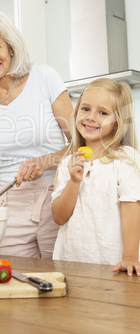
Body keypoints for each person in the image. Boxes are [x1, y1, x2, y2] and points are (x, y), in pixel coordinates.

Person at [0, 8, 73, 258]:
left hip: (56, 196)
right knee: (8, 281)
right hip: (8, 203)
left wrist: (45, 161)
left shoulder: (45, 77)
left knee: (62, 281)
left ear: (10, 47)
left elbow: (82, 144)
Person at [51, 78, 140, 276]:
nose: (91, 117)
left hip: (113, 264)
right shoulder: (68, 162)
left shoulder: (124, 158)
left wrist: (131, 256)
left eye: (103, 113)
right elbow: (59, 217)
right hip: (70, 264)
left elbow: (131, 207)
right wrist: (74, 182)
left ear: (117, 122)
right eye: (85, 109)